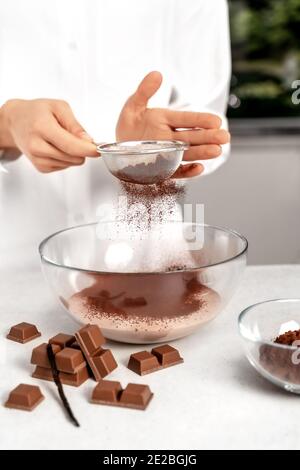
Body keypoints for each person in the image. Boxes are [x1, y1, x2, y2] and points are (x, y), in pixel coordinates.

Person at [0, 0, 231, 265]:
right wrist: (6, 126)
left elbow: (208, 121)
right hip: (11, 262)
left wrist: (157, 150)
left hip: (147, 257)